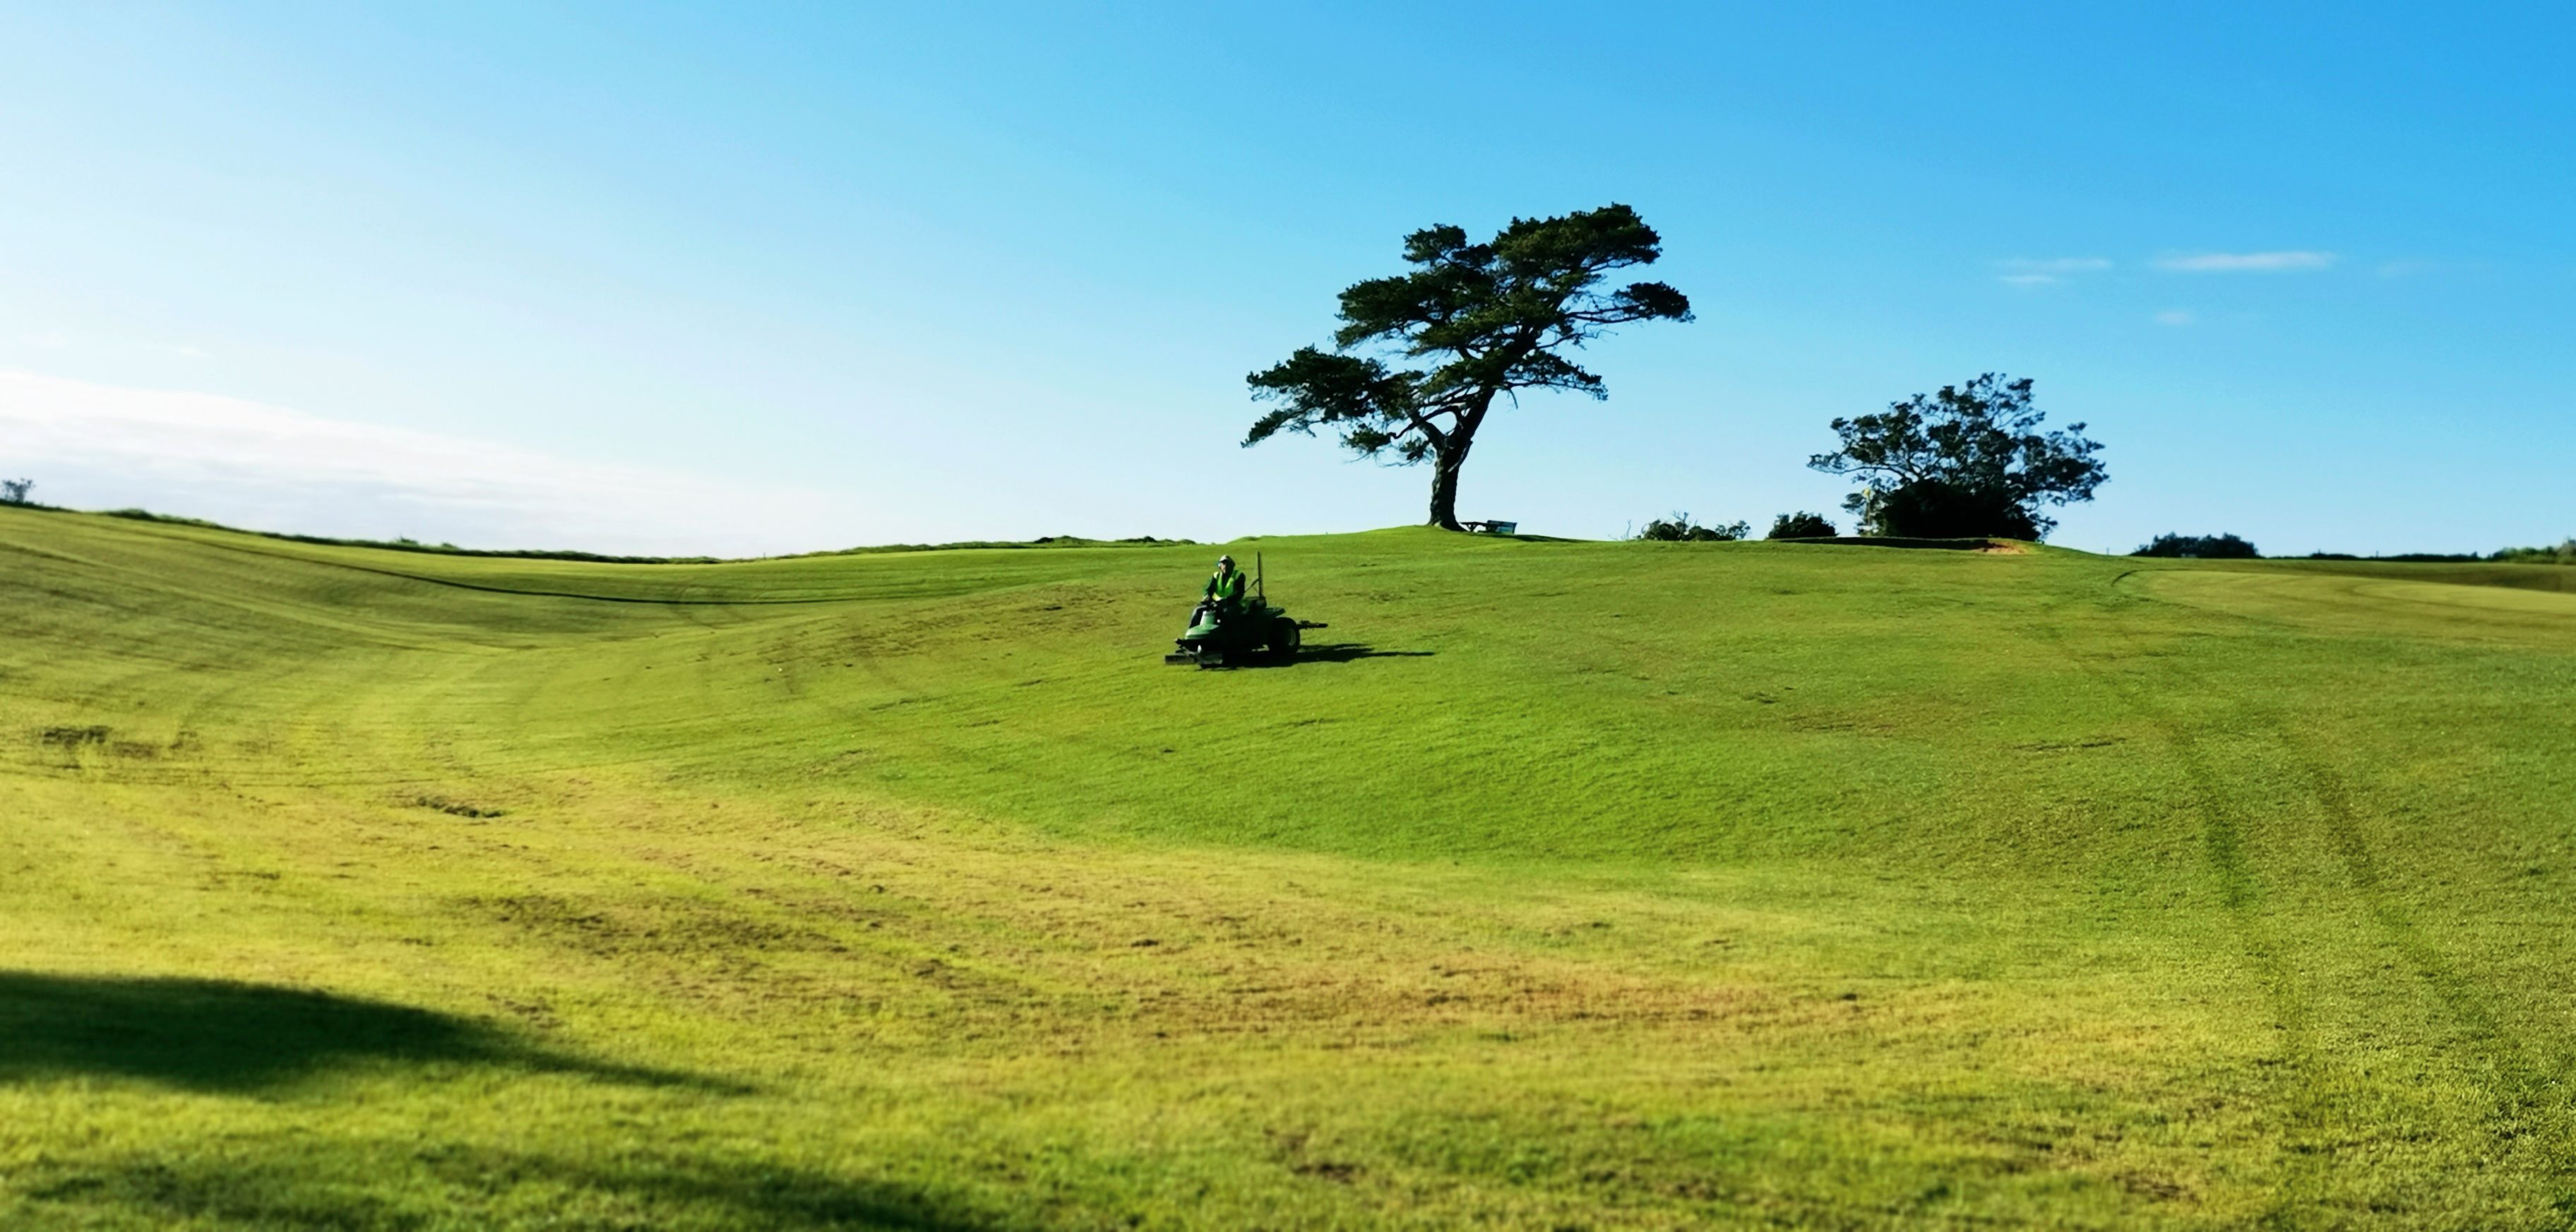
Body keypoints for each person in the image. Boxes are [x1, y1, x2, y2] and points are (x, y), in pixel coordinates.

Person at [1193, 555, 1246, 624]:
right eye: (1223, 564)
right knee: (1198, 611)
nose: (1226, 566)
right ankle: (1191, 633)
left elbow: (1239, 593)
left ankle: (1227, 635)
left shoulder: (1238, 575)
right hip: (1217, 604)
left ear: (1232, 565)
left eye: (1228, 564)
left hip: (1233, 603)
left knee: (1227, 613)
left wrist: (1228, 600)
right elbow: (1208, 589)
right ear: (1220, 566)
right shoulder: (1216, 576)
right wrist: (1207, 596)